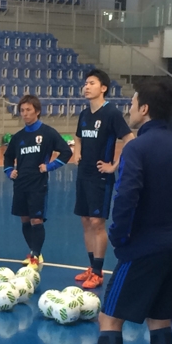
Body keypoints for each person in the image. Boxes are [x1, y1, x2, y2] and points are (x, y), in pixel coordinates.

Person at [63, 78, 172, 344]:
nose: (130, 108)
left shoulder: (136, 149)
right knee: (160, 323)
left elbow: (126, 198)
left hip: (142, 249)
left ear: (144, 108)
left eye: (134, 102)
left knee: (109, 319)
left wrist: (120, 237)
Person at [72, 69, 134, 289]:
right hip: (84, 174)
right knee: (85, 220)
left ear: (103, 88)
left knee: (97, 222)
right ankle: (91, 267)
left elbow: (130, 138)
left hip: (100, 176)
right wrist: (77, 152)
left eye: (91, 83)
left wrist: (114, 165)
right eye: (85, 83)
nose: (86, 87)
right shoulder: (84, 114)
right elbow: (77, 137)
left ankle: (98, 272)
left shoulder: (111, 114)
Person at [3, 95, 72, 271]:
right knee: (25, 219)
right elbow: (8, 157)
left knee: (36, 220)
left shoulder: (48, 133)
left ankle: (35, 257)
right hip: (20, 184)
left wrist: (50, 166)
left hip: (38, 184)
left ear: (37, 111)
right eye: (22, 110)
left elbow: (66, 152)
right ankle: (34, 252)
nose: (25, 114)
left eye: (28, 110)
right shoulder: (18, 137)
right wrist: (10, 171)